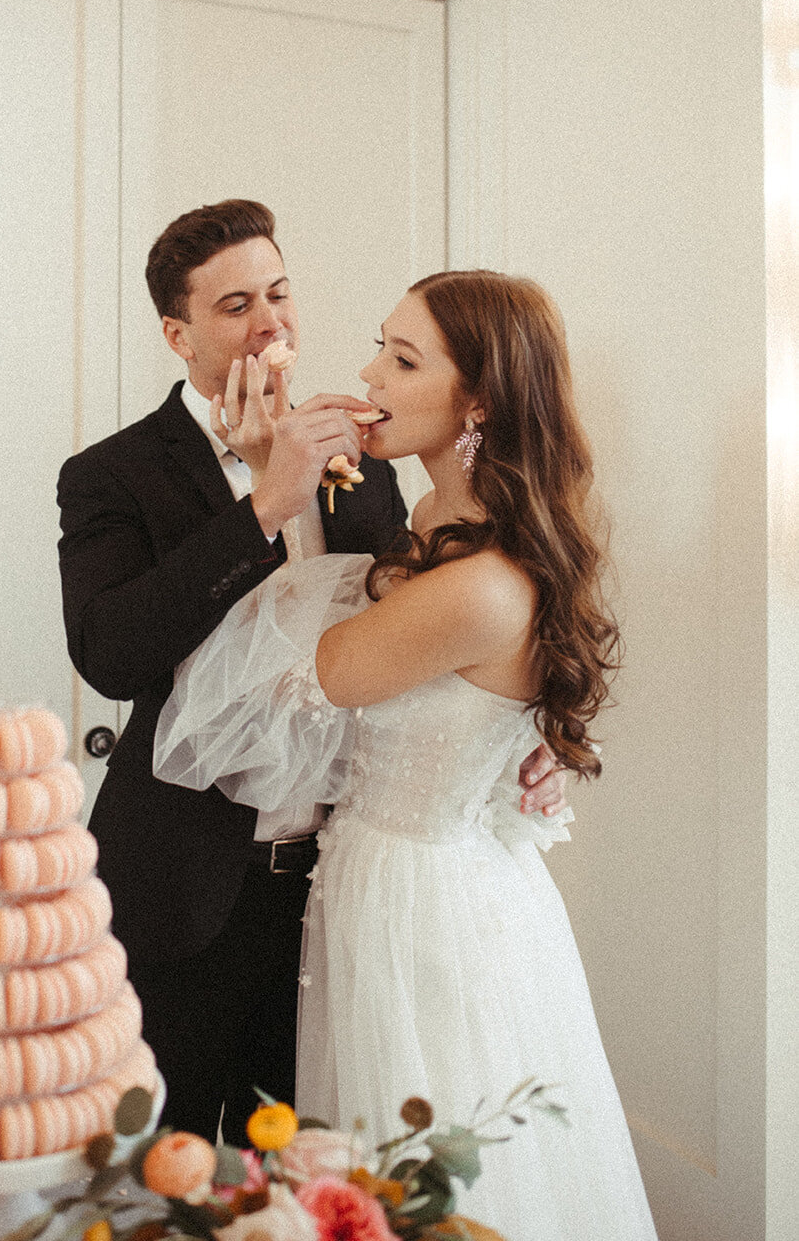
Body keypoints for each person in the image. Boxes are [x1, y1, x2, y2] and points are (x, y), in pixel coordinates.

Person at [155, 270, 658, 1240]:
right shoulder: (429, 526)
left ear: (476, 401)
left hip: (424, 915)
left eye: (400, 357)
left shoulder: (481, 583)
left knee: (430, 1166)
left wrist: (274, 490)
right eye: (377, 346)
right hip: (376, 878)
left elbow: (324, 672)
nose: (364, 372)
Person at [57, 204, 565, 1143]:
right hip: (185, 889)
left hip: (335, 896)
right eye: (235, 305)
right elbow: (112, 655)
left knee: (306, 1165)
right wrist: (262, 507)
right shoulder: (110, 474)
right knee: (149, 1164)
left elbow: (439, 635)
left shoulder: (368, 457)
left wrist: (534, 734)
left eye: (280, 293)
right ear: (178, 335)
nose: (271, 324)